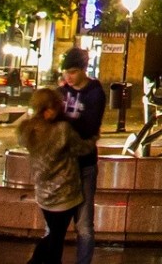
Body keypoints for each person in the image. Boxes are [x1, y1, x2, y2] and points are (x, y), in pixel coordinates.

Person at [16, 87, 84, 264]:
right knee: (56, 237)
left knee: (54, 234)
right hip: (65, 194)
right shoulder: (62, 130)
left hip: (44, 195)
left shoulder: (28, 131)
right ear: (48, 109)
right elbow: (81, 148)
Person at [59, 47, 107, 264]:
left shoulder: (95, 93)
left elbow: (89, 126)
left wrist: (62, 127)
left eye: (73, 71)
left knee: (84, 225)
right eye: (65, 72)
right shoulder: (61, 92)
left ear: (83, 70)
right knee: (55, 224)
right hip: (62, 166)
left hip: (85, 165)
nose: (68, 76)